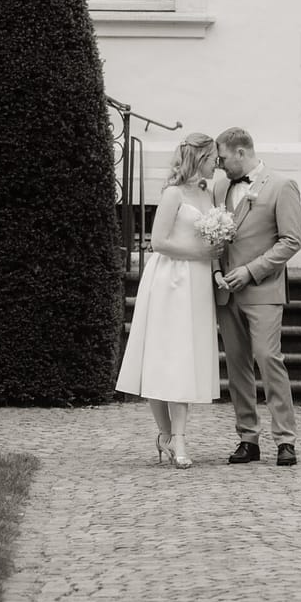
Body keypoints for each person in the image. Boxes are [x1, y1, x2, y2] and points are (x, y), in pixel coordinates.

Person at [115, 132, 223, 469]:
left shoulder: (209, 193)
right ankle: (170, 435)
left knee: (185, 358)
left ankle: (175, 436)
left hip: (197, 285)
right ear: (199, 158)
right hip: (170, 281)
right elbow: (158, 243)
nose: (217, 163)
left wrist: (215, 261)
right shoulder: (173, 193)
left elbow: (212, 238)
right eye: (213, 158)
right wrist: (201, 254)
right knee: (165, 357)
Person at [212, 127, 301, 467]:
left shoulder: (281, 186)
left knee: (268, 359)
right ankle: (247, 438)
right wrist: (217, 272)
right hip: (227, 294)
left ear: (241, 152)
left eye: (222, 158)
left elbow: (291, 240)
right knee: (237, 367)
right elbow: (215, 239)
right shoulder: (220, 188)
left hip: (263, 289)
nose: (219, 165)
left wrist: (250, 271)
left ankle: (285, 440)